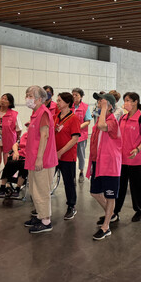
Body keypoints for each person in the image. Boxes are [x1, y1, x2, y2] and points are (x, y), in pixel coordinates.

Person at [23, 86, 58, 234]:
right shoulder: (35, 114)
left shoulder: (43, 113)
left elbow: (44, 136)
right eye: (27, 95)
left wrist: (39, 159)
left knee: (42, 191)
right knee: (34, 189)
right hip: (33, 159)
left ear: (38, 99)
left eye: (30, 95)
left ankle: (46, 221)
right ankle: (39, 215)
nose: (27, 98)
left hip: (42, 160)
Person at [87, 92, 122, 240]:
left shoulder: (112, 120)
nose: (99, 103)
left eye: (101, 102)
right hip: (98, 162)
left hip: (109, 164)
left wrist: (104, 109)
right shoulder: (101, 119)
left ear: (109, 106)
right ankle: (111, 214)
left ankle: (106, 226)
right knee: (95, 192)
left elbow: (102, 126)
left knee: (110, 195)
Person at [114, 92, 141, 222]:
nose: (126, 103)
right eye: (125, 100)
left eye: (128, 100)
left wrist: (137, 149)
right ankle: (115, 211)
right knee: (120, 187)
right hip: (122, 159)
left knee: (137, 188)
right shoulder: (123, 118)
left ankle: (140, 211)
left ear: (135, 102)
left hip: (135, 160)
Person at [54, 92, 81, 220]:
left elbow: (74, 139)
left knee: (69, 182)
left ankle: (71, 206)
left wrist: (61, 152)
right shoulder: (55, 117)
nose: (57, 102)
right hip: (53, 155)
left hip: (67, 156)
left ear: (67, 103)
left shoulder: (74, 118)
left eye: (59, 100)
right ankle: (41, 207)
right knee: (47, 180)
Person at [0, 125, 29, 199]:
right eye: (28, 127)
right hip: (19, 156)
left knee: (24, 165)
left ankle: (18, 188)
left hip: (28, 158)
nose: (28, 128)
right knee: (9, 163)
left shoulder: (37, 137)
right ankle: (2, 187)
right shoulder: (25, 135)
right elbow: (15, 144)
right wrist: (16, 152)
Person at [0, 93, 22, 166]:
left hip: (9, 142)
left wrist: (16, 141)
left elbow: (18, 130)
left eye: (6, 99)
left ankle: (8, 177)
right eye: (2, 98)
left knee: (8, 163)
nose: (3, 100)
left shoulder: (14, 114)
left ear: (10, 103)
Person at [72, 88, 92, 184]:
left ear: (81, 96)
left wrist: (78, 127)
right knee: (71, 155)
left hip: (81, 136)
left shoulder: (85, 107)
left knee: (81, 155)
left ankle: (81, 172)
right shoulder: (69, 106)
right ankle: (72, 174)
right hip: (70, 136)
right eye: (73, 95)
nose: (74, 97)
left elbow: (88, 121)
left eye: (76, 95)